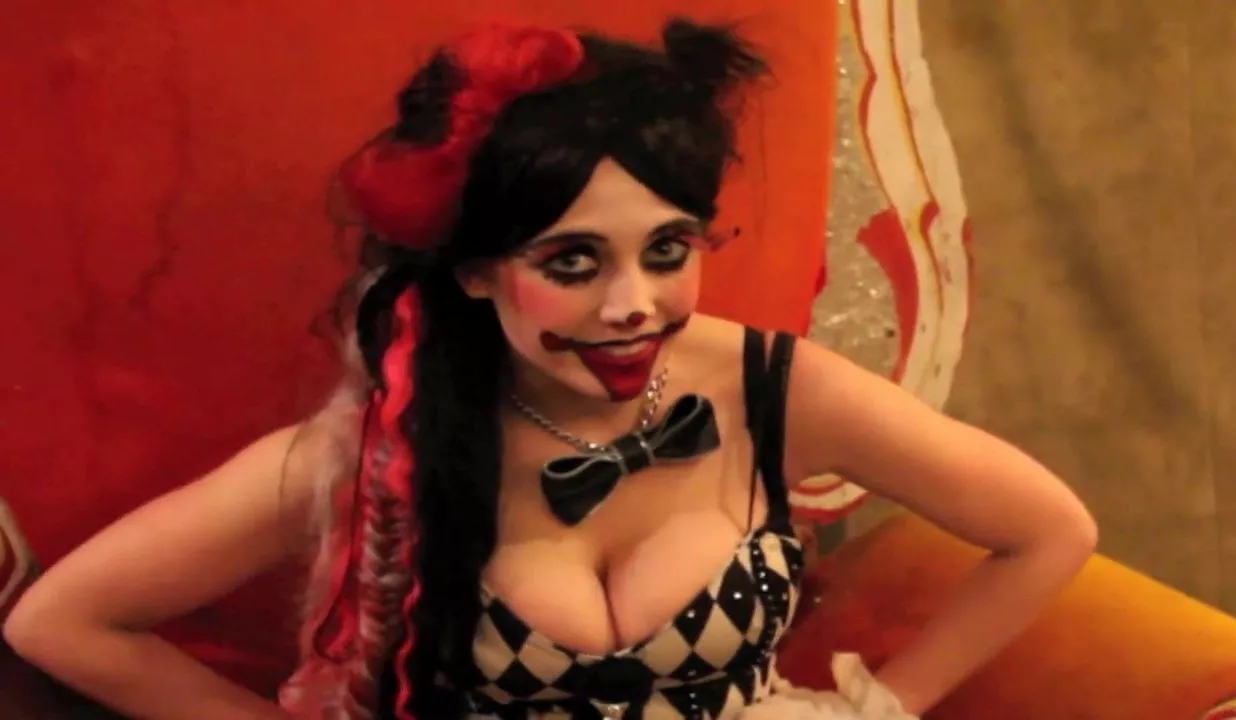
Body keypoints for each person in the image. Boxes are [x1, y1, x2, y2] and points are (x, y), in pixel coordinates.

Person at [2, 17, 1097, 720]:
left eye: (666, 251)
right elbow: (61, 624)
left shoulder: (773, 388)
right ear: (476, 272)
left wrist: (881, 708)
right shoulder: (388, 442)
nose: (632, 305)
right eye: (572, 263)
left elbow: (1049, 532)